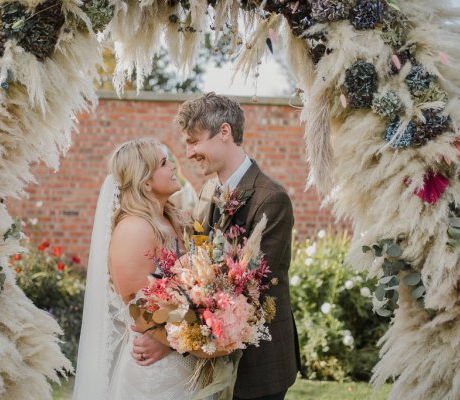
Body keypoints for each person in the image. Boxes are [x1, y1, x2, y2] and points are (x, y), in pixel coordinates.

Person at [133, 93, 301, 400]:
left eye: (194, 141)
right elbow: (197, 264)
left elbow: (245, 289)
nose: (189, 153)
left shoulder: (271, 199)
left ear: (224, 132)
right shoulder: (208, 191)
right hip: (209, 357)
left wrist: (168, 339)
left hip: (258, 365)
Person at [73, 138, 222, 400]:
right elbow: (140, 309)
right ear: (146, 182)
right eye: (164, 163)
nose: (174, 167)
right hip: (155, 373)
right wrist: (180, 343)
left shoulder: (171, 218)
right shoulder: (134, 229)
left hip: (179, 359)